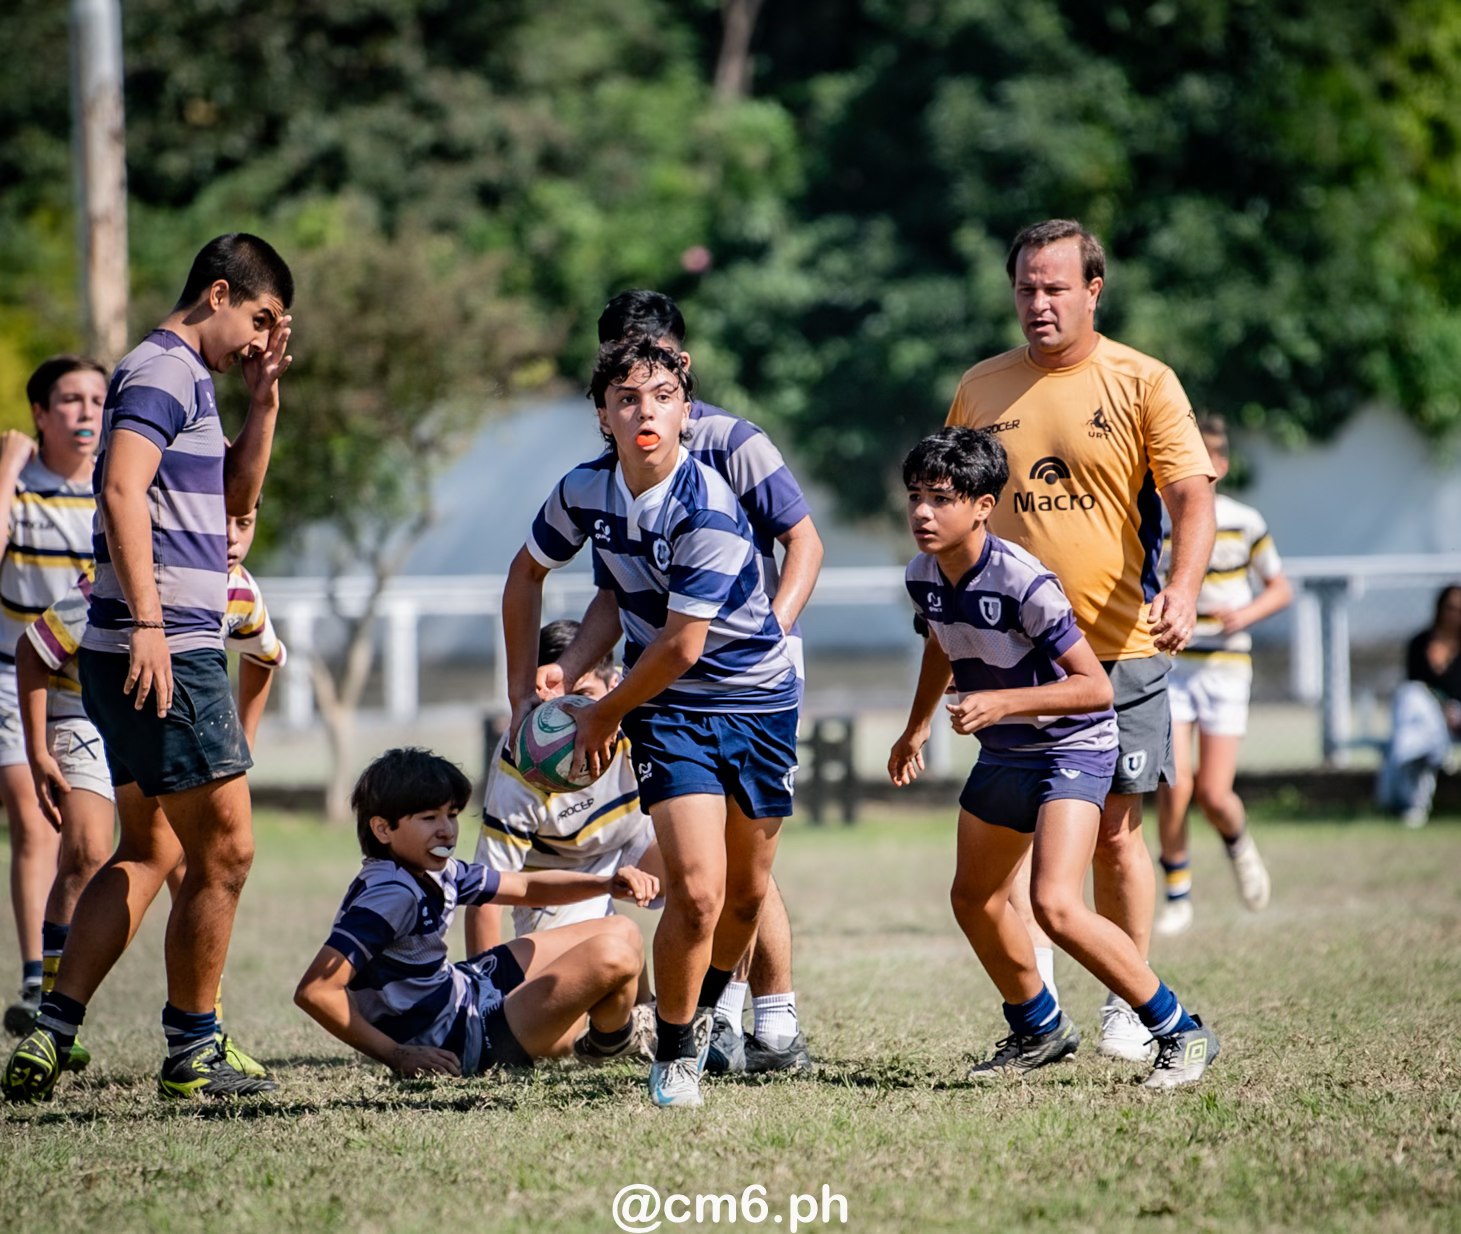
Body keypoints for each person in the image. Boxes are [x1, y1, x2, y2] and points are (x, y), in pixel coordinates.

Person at [2, 233, 294, 1102]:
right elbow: (121, 488)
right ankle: (194, 1047)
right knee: (227, 850)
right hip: (164, 648)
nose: (263, 339)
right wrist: (153, 624)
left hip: (134, 650)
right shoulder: (164, 370)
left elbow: (236, 502)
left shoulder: (192, 380)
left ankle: (52, 1028)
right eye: (261, 318)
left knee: (152, 846)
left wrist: (264, 404)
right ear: (218, 293)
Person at [502, 337, 800, 1108]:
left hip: (754, 702)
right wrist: (535, 684)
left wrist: (602, 712)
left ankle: (703, 1014)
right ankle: (672, 1053)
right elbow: (535, 575)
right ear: (602, 414)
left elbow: (679, 644)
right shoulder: (584, 491)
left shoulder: (707, 508)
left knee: (744, 897)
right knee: (696, 893)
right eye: (627, 398)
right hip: (670, 710)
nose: (645, 412)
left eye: (662, 396)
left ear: (684, 409)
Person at [946, 218, 1216, 1063]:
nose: (1038, 303)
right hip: (1014, 659)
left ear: (1092, 291)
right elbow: (952, 505)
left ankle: (1128, 1005)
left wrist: (1183, 588)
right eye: (1025, 288)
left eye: (1055, 287)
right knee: (1006, 848)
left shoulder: (1142, 380)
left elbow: (1190, 497)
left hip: (1118, 645)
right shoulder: (981, 387)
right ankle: (1036, 1013)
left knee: (1111, 833)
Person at [889, 427, 1218, 1088]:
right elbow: (941, 644)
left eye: (942, 499)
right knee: (973, 897)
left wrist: (1000, 703)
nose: (923, 512)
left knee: (1055, 904)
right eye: (916, 496)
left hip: (1073, 745)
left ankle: (1181, 1032)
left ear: (983, 507)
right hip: (1006, 751)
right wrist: (915, 726)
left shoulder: (1022, 581)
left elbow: (1094, 688)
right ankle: (1039, 1027)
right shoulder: (922, 575)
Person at [295, 748, 656, 1078]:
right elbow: (316, 990)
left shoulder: (435, 871)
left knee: (622, 929)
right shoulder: (391, 896)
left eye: (451, 815)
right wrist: (397, 1054)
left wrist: (606, 884)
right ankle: (613, 1038)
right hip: (463, 1039)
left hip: (467, 989)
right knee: (613, 954)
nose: (446, 830)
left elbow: (525, 887)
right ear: (383, 829)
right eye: (429, 818)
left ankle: (628, 1029)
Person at [465, 619, 661, 1059]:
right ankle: (627, 1021)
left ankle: (711, 1014)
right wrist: (483, 1000)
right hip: (555, 883)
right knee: (557, 1038)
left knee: (714, 866)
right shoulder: (525, 758)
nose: (575, 720)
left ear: (615, 684)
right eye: (558, 702)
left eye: (585, 696)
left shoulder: (637, 720)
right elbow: (487, 892)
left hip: (630, 847)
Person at [1, 356, 105, 1037]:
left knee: (90, 844)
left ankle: (60, 984)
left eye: (97, 398)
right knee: (34, 820)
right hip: (13, 678)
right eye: (70, 399)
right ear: (40, 414)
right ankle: (35, 980)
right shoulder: (17, 487)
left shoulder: (117, 486)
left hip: (90, 688)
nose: (87, 411)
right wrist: (5, 468)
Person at [1154, 415, 1290, 934]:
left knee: (1213, 793)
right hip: (1173, 664)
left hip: (1226, 665)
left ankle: (1239, 844)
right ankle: (1177, 895)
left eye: (1207, 457)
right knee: (1174, 784)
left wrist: (1247, 614)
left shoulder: (1243, 520)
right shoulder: (1158, 516)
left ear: (1222, 464)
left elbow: (1280, 587)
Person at [1377, 584, 1461, 827]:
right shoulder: (1420, 643)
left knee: (1410, 742)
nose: (1454, 614)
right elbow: (1416, 684)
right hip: (1429, 715)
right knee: (1411, 699)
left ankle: (1412, 789)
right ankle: (1434, 753)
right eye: (1450, 608)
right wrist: (1442, 707)